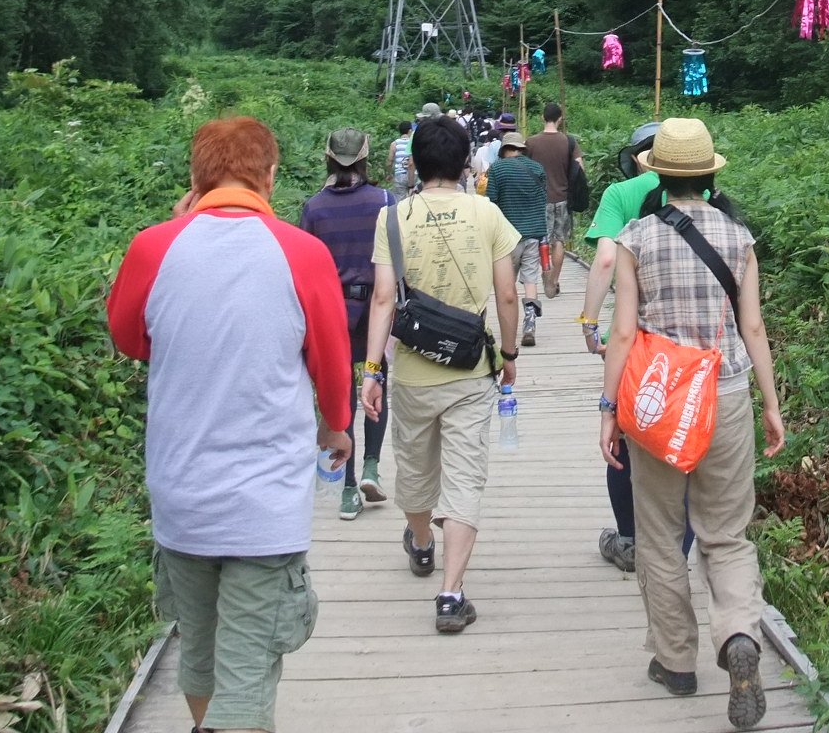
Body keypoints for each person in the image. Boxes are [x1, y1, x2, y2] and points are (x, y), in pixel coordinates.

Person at [108, 116, 353, 733]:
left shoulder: (153, 246)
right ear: (270, 178)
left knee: (199, 652)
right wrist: (337, 426)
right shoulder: (302, 253)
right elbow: (330, 359)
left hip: (181, 494)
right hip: (263, 504)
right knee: (246, 675)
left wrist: (173, 225)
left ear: (194, 178)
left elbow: (130, 338)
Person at [598, 118, 785, 728]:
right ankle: (738, 639)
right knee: (726, 535)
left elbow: (623, 332)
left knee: (658, 534)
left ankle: (676, 663)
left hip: (660, 402)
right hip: (726, 396)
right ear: (709, 174)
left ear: (655, 172)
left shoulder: (635, 237)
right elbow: (752, 328)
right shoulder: (738, 237)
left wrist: (610, 409)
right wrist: (772, 405)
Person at [361, 116, 521, 633]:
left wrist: (371, 371)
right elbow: (507, 294)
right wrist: (511, 351)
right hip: (472, 366)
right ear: (465, 162)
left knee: (413, 469)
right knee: (465, 477)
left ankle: (423, 545)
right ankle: (451, 596)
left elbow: (384, 299)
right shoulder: (487, 212)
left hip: (410, 369)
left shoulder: (393, 219)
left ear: (416, 163)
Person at [579, 120, 711, 572]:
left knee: (625, 438)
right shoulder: (703, 196)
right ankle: (681, 549)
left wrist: (589, 319)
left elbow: (606, 258)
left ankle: (632, 540)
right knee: (687, 441)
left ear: (642, 157)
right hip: (699, 346)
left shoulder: (621, 194)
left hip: (641, 341)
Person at [299, 127, 395, 522]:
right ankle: (372, 465)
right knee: (377, 383)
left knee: (340, 399)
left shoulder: (314, 208)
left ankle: (349, 489)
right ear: (364, 159)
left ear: (328, 159)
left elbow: (304, 267)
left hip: (332, 314)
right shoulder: (385, 201)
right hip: (376, 308)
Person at [483, 128, 550, 347]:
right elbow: (543, 201)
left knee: (506, 285)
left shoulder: (497, 169)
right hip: (533, 234)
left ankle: (507, 327)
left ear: (504, 150)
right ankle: (530, 323)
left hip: (506, 237)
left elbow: (491, 203)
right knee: (530, 279)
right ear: (521, 149)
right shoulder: (537, 168)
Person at [523, 101, 580, 298]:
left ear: (542, 117)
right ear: (560, 119)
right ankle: (554, 281)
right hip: (563, 198)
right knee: (559, 241)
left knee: (542, 240)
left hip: (539, 200)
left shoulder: (531, 142)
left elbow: (523, 167)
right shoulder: (568, 141)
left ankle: (545, 273)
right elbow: (580, 167)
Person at [389, 121, 415, 196]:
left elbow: (390, 161)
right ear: (410, 130)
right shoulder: (414, 142)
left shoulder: (394, 144)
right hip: (414, 175)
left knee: (400, 201)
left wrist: (389, 173)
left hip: (399, 175)